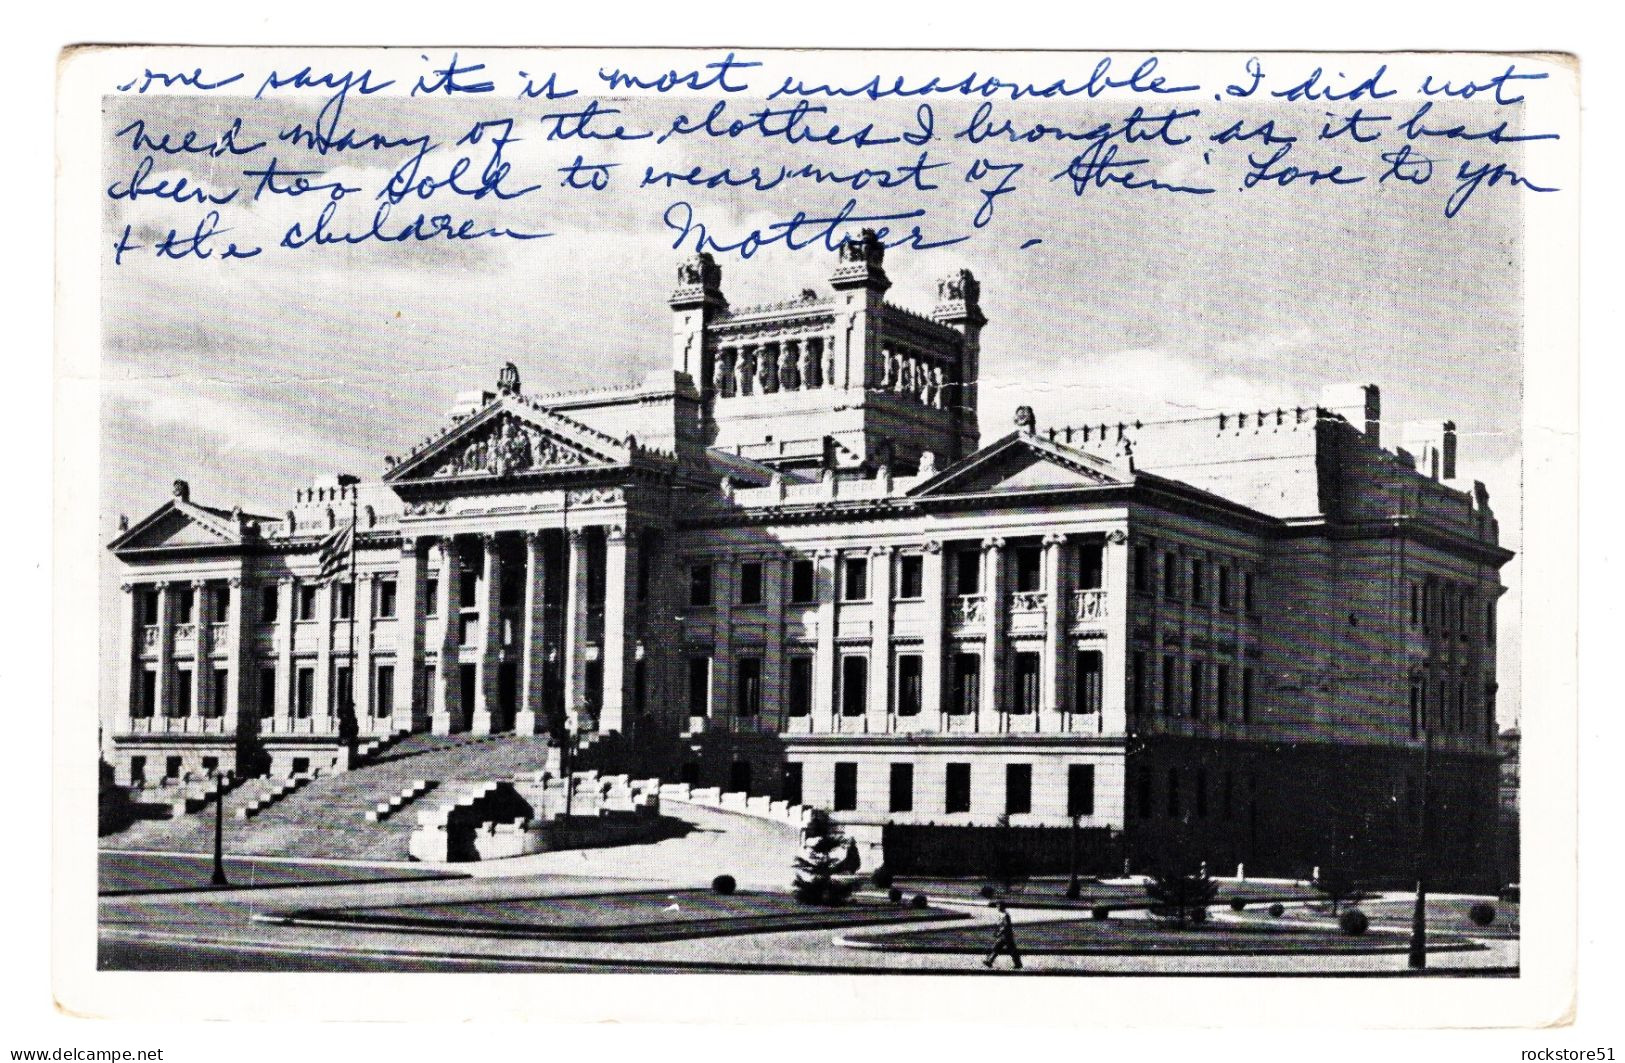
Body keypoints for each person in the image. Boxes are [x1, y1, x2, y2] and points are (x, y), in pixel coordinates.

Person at [983, 903, 1023, 970]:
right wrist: (997, 932)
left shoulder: (1005, 915)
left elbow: (1006, 926)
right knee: (998, 948)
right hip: (1004, 936)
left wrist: (999, 933)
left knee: (1011, 950)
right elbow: (1001, 925)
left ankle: (1018, 964)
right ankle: (989, 962)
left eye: (999, 906)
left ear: (1002, 907)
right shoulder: (1002, 915)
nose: (997, 908)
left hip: (1007, 936)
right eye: (997, 906)